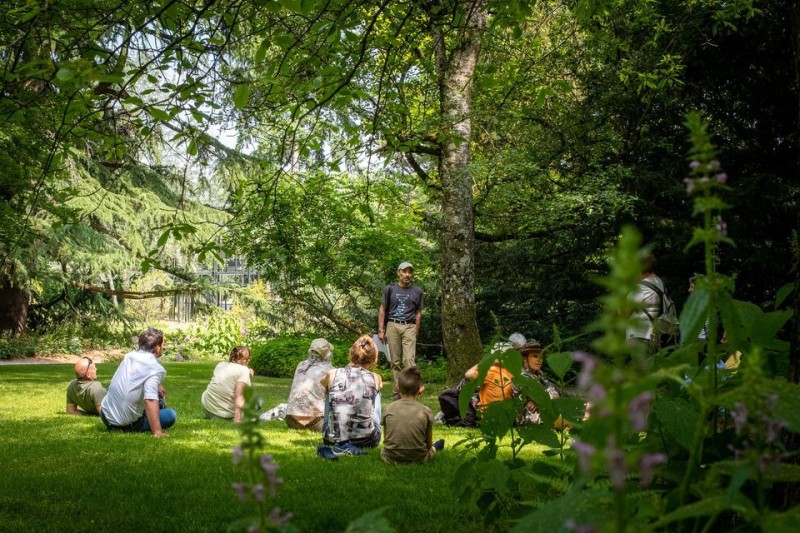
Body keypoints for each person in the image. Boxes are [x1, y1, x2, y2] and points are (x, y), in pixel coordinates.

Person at [316, 335, 383, 460]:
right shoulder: (375, 377)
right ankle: (367, 428)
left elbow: (322, 383)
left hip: (331, 438)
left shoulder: (333, 373)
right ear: (373, 359)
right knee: (377, 392)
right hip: (368, 440)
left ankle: (335, 429)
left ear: (352, 353)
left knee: (329, 388)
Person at [100, 327, 177, 437]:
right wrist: (157, 431)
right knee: (170, 414)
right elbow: (150, 399)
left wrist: (158, 385)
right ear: (157, 347)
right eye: (162, 344)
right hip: (125, 424)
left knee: (158, 400)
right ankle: (147, 425)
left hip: (106, 416)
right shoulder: (155, 368)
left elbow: (134, 376)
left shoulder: (129, 356)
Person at [377, 261, 424, 396]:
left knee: (409, 360)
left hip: (409, 326)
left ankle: (412, 391)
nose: (407, 274)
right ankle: (398, 391)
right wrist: (381, 329)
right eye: (404, 271)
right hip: (393, 325)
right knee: (395, 361)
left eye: (410, 272)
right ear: (399, 272)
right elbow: (382, 309)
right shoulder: (390, 289)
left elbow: (418, 312)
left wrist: (416, 328)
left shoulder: (417, 291)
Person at [381, 367, 444, 464]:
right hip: (419, 458)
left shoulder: (387, 408)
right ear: (421, 389)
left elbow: (386, 440)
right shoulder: (426, 411)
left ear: (397, 388)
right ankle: (436, 447)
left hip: (391, 458)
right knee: (431, 449)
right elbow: (428, 444)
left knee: (383, 450)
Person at [284, 338, 335, 431]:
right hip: (316, 423)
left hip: (290, 420)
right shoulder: (330, 370)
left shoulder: (301, 365)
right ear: (328, 354)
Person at [627, 252, 673, 349]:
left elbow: (624, 313)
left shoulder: (641, 288)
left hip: (640, 338)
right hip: (655, 337)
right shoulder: (659, 282)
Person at [201, 345, 254, 423]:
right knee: (258, 402)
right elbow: (239, 395)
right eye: (247, 359)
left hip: (207, 408)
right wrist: (237, 420)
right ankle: (235, 417)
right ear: (244, 360)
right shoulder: (244, 370)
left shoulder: (220, 365)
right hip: (222, 415)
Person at [516, 341, 562, 425]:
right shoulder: (522, 376)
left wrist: (539, 402)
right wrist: (542, 400)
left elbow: (557, 390)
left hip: (543, 410)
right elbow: (542, 396)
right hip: (528, 416)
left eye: (541, 357)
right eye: (535, 356)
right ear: (525, 359)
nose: (539, 360)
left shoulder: (538, 373)